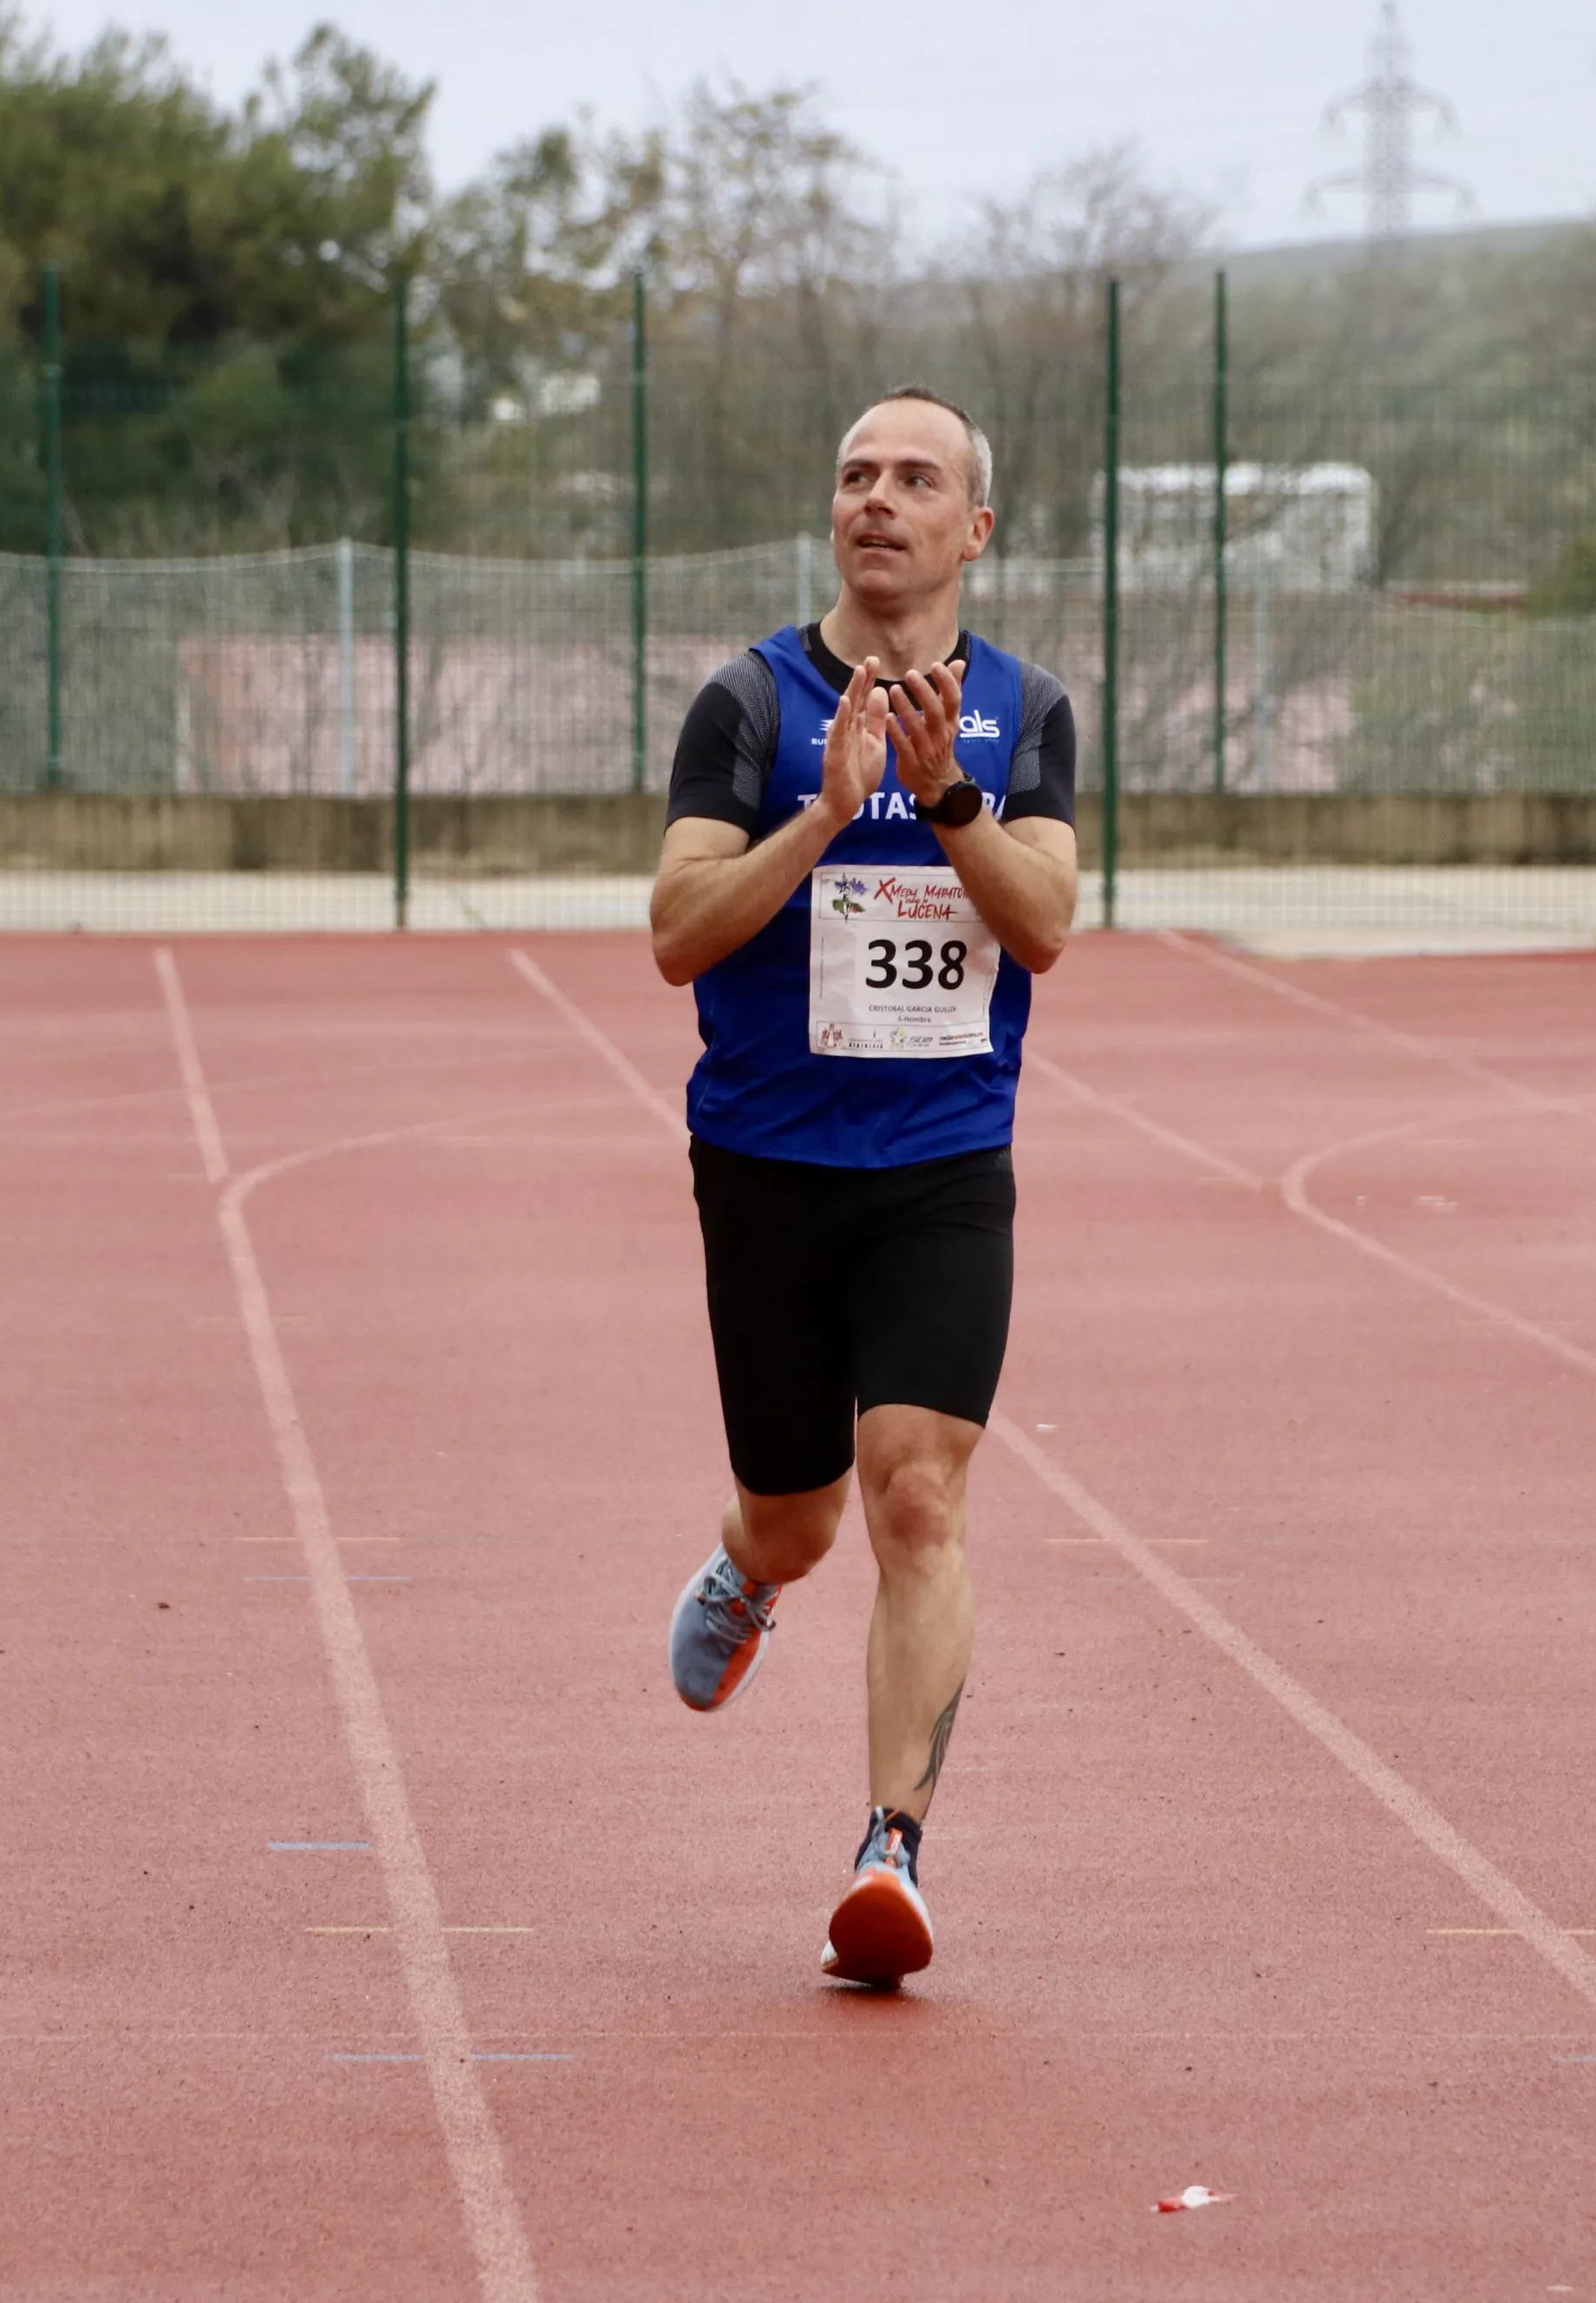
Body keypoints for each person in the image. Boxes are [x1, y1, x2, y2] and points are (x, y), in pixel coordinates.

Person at [648, 386, 1078, 1987]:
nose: (876, 499)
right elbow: (677, 932)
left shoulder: (1025, 713)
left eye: (916, 478)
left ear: (975, 527)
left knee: (918, 1492)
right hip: (764, 1167)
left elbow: (1043, 924)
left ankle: (890, 1848)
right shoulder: (749, 705)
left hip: (942, 1168)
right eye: (853, 475)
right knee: (806, 1509)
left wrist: (945, 797)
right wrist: (828, 810)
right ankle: (751, 1567)